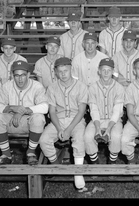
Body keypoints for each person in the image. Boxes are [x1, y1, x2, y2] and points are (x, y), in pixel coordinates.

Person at [39, 57, 88, 192]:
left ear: (71, 69)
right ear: (55, 72)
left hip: (76, 120)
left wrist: (68, 130)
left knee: (79, 140)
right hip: (58, 121)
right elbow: (52, 112)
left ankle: (78, 174)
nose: (63, 74)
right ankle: (57, 166)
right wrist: (60, 129)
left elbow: (81, 111)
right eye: (60, 71)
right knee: (44, 140)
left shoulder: (81, 86)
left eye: (66, 70)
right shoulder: (52, 87)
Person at [0, 60, 48, 166]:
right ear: (12, 75)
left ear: (29, 75)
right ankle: (6, 155)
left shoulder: (37, 86)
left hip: (29, 124)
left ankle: (30, 153)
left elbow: (45, 107)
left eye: (23, 75)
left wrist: (22, 110)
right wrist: (12, 107)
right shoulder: (7, 86)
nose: (20, 78)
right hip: (11, 122)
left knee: (39, 118)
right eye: (17, 75)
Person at [84, 58, 125, 165]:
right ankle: (95, 162)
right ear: (99, 71)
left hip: (114, 120)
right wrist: (98, 128)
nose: (106, 73)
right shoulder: (92, 88)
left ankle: (112, 162)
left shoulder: (119, 88)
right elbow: (93, 110)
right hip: (97, 119)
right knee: (88, 136)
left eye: (109, 70)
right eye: (103, 70)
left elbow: (117, 111)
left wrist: (109, 129)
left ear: (113, 71)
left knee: (116, 136)